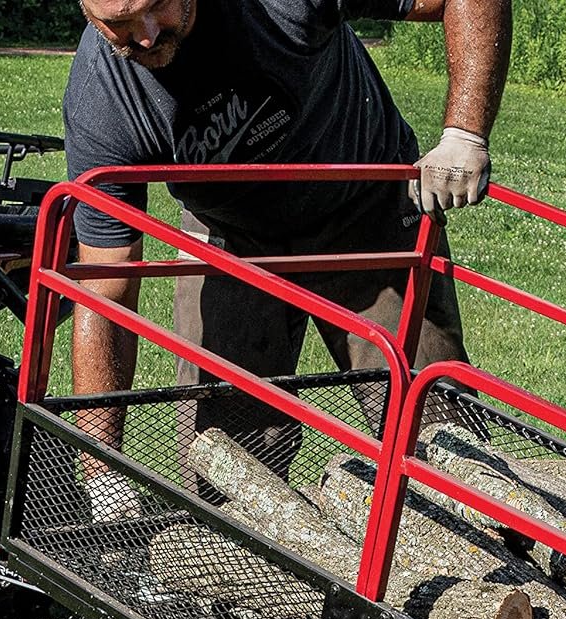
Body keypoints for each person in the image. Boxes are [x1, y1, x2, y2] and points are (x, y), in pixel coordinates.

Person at [61, 0, 510, 508]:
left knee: (438, 432)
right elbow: (105, 291)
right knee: (225, 468)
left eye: (156, 6)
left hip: (366, 209)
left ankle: (487, 536)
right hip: (234, 237)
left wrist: (464, 134)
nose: (144, 35)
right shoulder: (102, 99)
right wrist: (102, 473)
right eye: (118, 25)